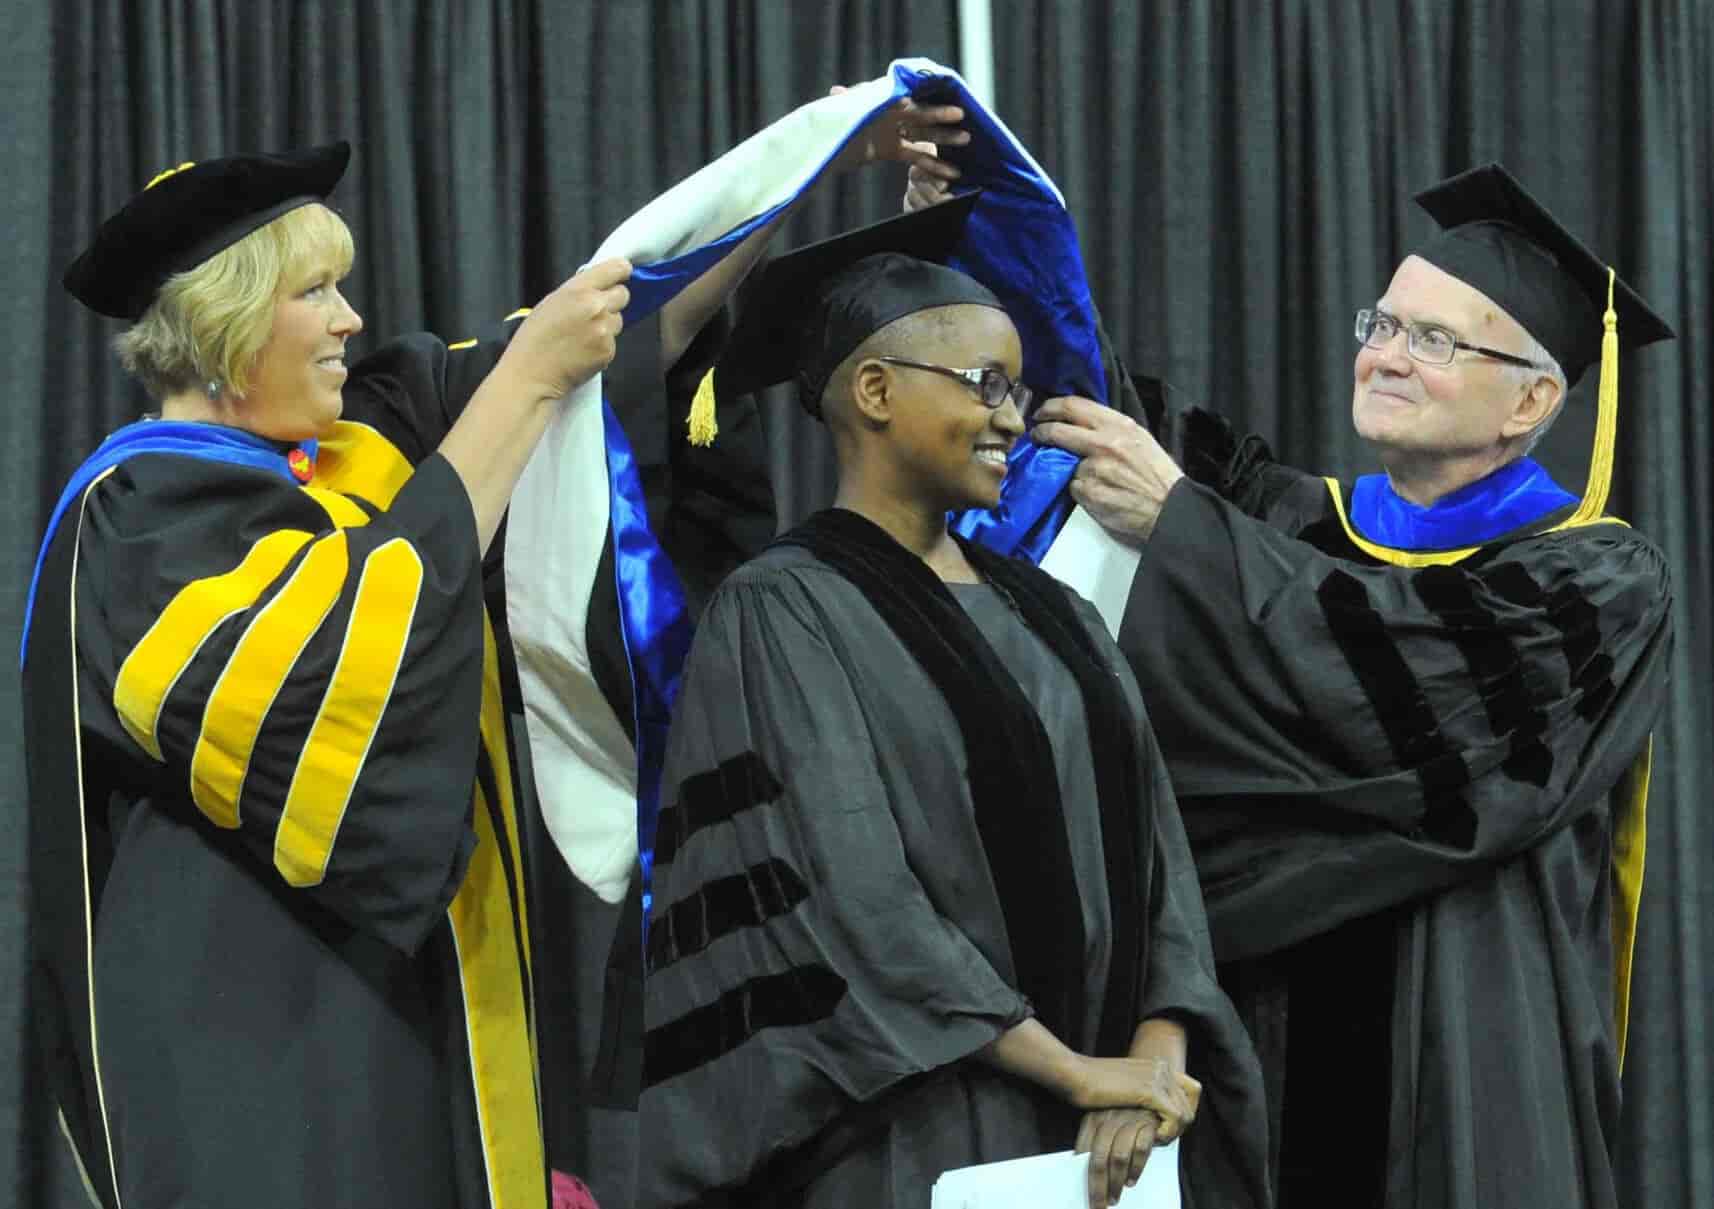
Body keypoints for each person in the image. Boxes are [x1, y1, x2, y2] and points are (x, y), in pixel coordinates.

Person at [1004, 163, 1675, 1207]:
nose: (1385, 357)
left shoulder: (1593, 584)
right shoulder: (1290, 521)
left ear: (1532, 400)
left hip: (1467, 1063)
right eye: (1384, 324)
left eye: (1434, 341)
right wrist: (993, 246)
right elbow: (1097, 398)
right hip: (1259, 1050)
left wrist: (1185, 530)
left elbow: (1396, 690)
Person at [20, 141, 633, 1209]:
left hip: (380, 1006)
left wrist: (805, 168)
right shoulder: (137, 520)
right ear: (227, 326)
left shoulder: (352, 450)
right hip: (256, 1037)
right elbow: (343, 679)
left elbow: (614, 334)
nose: (350, 317)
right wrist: (530, 380)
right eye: (316, 291)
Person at [638, 204, 1269, 1209]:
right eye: (986, 385)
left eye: (1016, 389)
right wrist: (1072, 1070)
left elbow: (1161, 864)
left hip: (1116, 1140)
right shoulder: (784, 610)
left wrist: (1146, 1062)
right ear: (876, 392)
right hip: (916, 1127)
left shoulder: (1055, 611)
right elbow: (852, 899)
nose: (1015, 419)